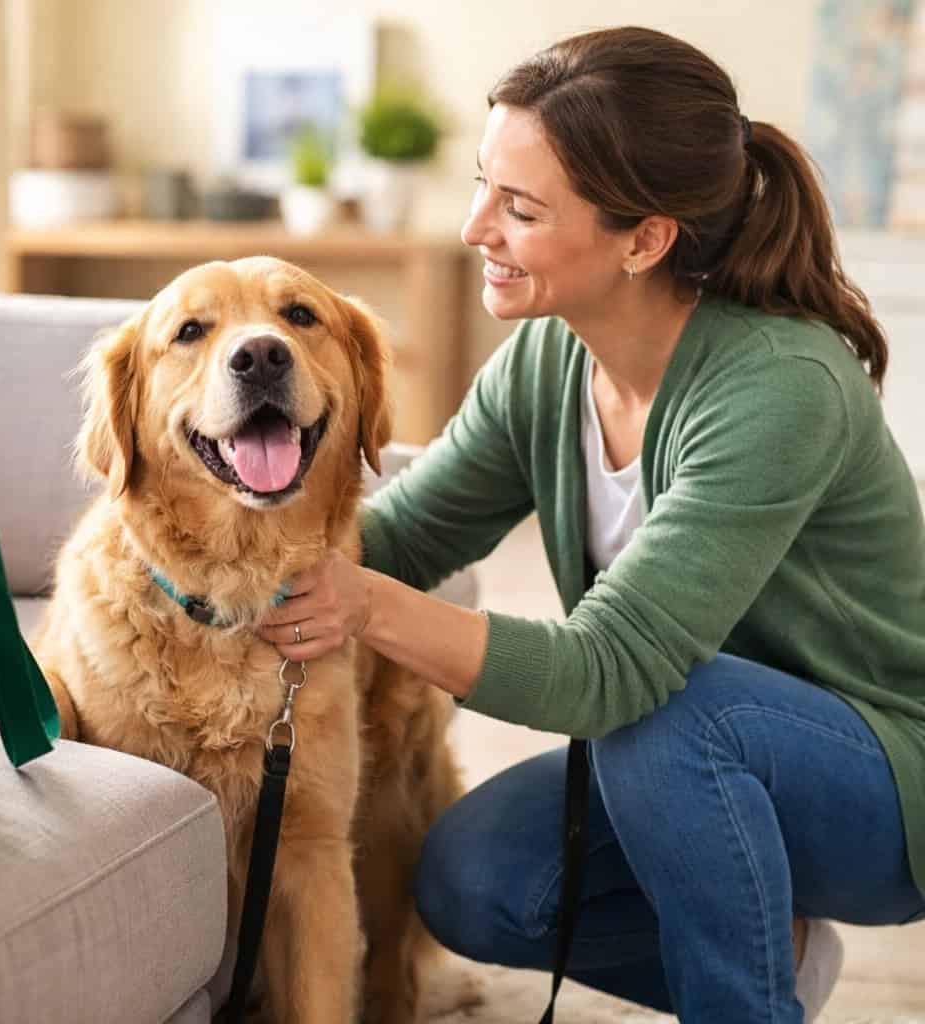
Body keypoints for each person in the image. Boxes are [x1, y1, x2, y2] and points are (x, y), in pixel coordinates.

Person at [257, 24, 925, 1024]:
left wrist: (362, 606)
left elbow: (608, 671)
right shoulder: (546, 365)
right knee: (473, 878)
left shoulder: (780, 386)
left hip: (882, 784)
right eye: (483, 185)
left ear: (644, 239)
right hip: (705, 760)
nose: (476, 227)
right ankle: (760, 948)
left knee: (661, 713)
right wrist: (213, 559)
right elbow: (399, 535)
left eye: (519, 208)